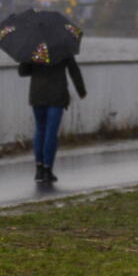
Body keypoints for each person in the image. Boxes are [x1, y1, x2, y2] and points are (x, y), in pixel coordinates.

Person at [19, 53, 86, 184]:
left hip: (37, 94)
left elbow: (23, 72)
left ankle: (39, 169)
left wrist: (28, 59)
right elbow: (74, 70)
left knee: (40, 130)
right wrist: (81, 91)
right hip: (57, 95)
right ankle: (47, 169)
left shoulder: (33, 47)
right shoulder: (62, 46)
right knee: (51, 132)